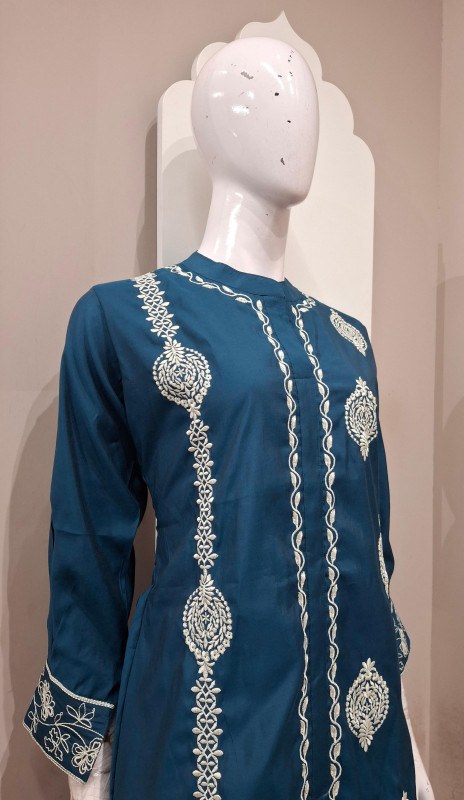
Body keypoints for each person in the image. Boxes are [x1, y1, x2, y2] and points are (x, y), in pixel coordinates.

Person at [24, 36, 434, 800]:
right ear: (212, 128)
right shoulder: (123, 321)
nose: (292, 118)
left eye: (300, 99)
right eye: (261, 94)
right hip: (207, 732)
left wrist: (408, 737)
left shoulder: (349, 341)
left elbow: (373, 554)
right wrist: (90, 767)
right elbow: (88, 544)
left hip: (364, 734)